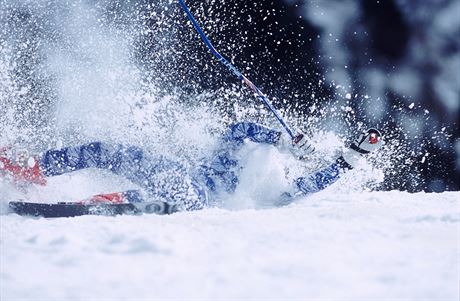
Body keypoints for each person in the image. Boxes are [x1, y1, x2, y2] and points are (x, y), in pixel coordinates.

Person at [0, 122, 382, 212]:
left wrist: (351, 159)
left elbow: (312, 183)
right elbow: (239, 128)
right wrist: (280, 138)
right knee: (110, 150)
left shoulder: (273, 188)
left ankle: (107, 202)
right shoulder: (238, 149)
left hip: (198, 199)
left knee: (178, 194)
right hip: (176, 171)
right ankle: (34, 169)